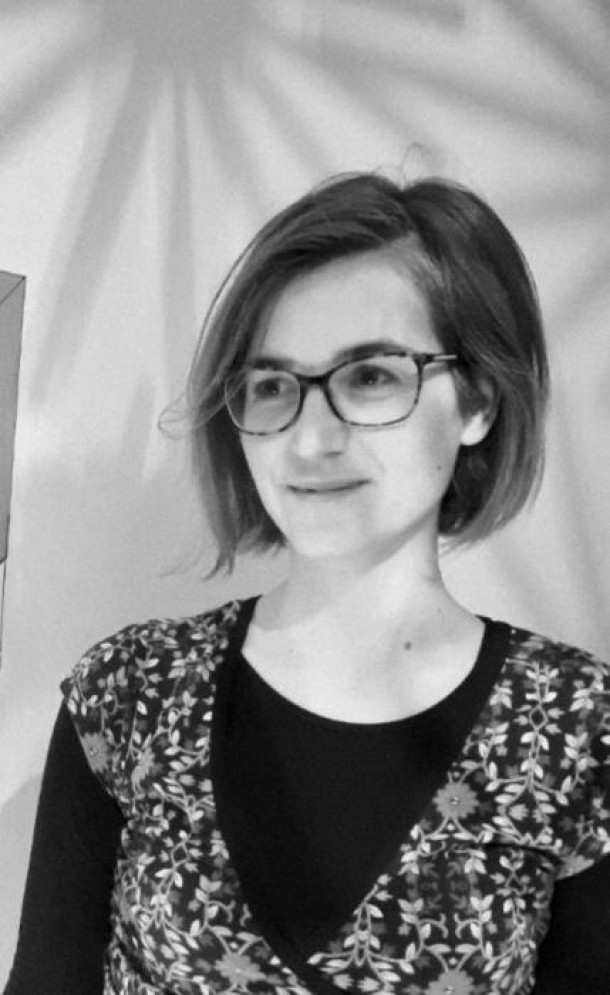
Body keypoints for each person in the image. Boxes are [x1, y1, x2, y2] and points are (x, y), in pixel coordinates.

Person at [5, 172, 610, 995]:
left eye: (371, 376)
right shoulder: (130, 694)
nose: (310, 439)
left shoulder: (576, 728)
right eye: (272, 385)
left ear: (479, 400)